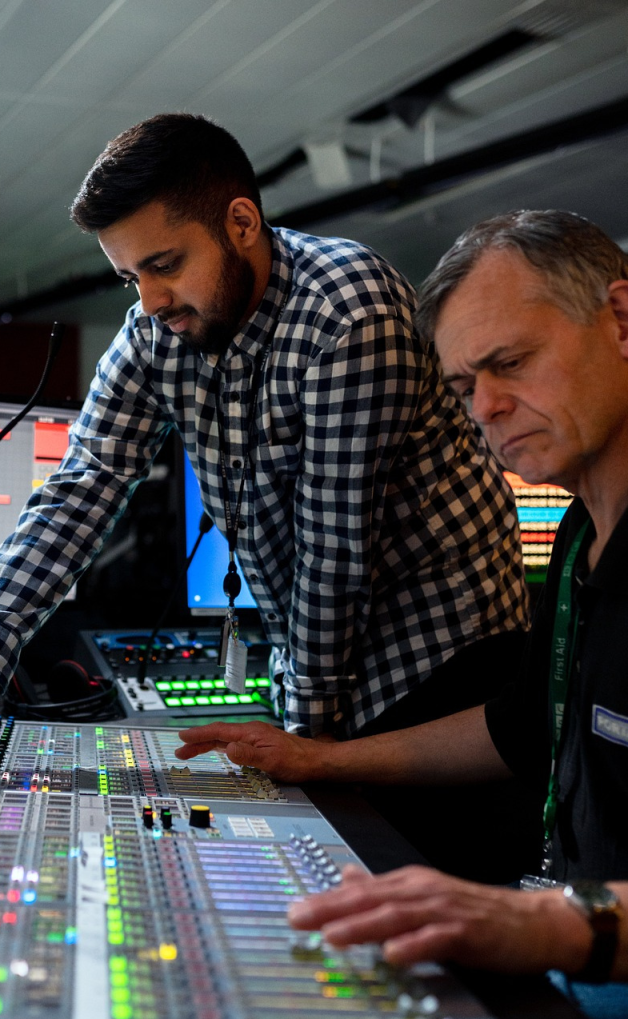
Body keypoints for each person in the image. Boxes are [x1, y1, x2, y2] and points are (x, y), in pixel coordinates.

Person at [0, 113, 529, 802]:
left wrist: (307, 748)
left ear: (241, 223)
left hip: (448, 665)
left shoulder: (347, 313)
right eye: (129, 277)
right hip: (330, 663)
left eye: (165, 265)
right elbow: (78, 491)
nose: (149, 301)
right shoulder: (156, 333)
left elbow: (334, 556)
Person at [176, 210, 628, 1009]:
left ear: (621, 319)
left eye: (510, 362)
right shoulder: (578, 534)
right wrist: (321, 759)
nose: (485, 407)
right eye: (462, 386)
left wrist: (543, 922)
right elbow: (519, 726)